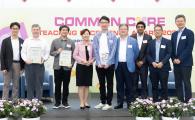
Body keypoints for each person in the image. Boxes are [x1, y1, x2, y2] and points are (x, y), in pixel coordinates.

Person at [93, 16, 117, 110]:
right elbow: (95, 49)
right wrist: (98, 62)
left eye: (105, 22)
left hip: (110, 64)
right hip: (99, 64)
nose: (104, 24)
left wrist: (109, 62)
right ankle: (102, 102)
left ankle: (109, 103)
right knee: (101, 84)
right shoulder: (96, 36)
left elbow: (114, 50)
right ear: (100, 24)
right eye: (102, 22)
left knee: (110, 83)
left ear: (108, 23)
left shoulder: (113, 35)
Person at [21, 24, 50, 100]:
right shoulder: (27, 40)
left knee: (39, 84)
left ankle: (38, 102)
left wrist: (44, 59)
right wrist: (26, 60)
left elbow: (47, 52)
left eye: (37, 29)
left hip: (39, 65)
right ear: (32, 30)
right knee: (29, 84)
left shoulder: (44, 41)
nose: (35, 31)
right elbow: (23, 52)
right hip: (29, 65)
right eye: (34, 29)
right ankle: (29, 102)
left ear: (39, 30)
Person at [114, 24, 139, 109]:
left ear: (127, 30)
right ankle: (120, 103)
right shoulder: (116, 41)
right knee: (119, 85)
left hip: (129, 65)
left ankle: (130, 103)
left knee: (129, 85)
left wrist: (130, 60)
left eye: (125, 29)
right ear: (119, 30)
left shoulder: (133, 41)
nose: (123, 30)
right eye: (121, 29)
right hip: (118, 65)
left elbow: (136, 53)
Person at [50, 25, 75, 109]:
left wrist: (71, 64)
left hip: (67, 67)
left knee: (66, 85)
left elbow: (74, 55)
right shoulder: (55, 41)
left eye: (66, 30)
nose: (64, 31)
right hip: (57, 67)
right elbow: (51, 53)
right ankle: (57, 102)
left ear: (68, 32)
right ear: (60, 31)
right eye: (63, 30)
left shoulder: (71, 42)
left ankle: (65, 102)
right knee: (57, 85)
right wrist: (57, 51)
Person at [171, 14, 194, 102]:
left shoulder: (189, 33)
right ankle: (180, 101)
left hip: (186, 63)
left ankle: (188, 103)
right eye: (178, 21)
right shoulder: (174, 34)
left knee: (186, 83)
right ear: (175, 22)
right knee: (178, 83)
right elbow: (172, 49)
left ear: (184, 21)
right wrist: (173, 59)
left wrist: (180, 59)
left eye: (181, 21)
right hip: (176, 63)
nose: (179, 23)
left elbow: (189, 48)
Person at [147, 24, 172, 102]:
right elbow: (148, 54)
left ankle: (164, 102)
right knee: (154, 86)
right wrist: (152, 62)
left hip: (163, 67)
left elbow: (169, 53)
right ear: (154, 32)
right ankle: (155, 101)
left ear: (162, 31)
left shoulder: (167, 41)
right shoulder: (151, 42)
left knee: (164, 85)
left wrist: (162, 63)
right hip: (153, 67)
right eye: (156, 30)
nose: (157, 31)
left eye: (159, 30)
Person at [1, 22, 25, 100]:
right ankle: (4, 102)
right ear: (11, 29)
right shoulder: (5, 41)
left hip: (18, 64)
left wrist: (22, 67)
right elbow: (2, 55)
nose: (15, 30)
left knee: (16, 84)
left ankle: (15, 101)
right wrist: (3, 67)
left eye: (16, 29)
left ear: (18, 30)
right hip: (8, 65)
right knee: (6, 84)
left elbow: (23, 55)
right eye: (13, 28)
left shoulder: (22, 41)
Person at [73, 29, 94, 110]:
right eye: (84, 34)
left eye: (87, 34)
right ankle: (81, 102)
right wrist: (83, 61)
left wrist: (91, 61)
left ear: (89, 35)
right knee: (81, 85)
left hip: (89, 66)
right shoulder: (78, 44)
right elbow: (74, 55)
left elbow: (94, 56)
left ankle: (85, 101)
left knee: (87, 85)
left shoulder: (92, 44)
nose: (86, 35)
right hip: (81, 66)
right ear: (82, 35)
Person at [131, 21, 152, 99]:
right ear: (136, 28)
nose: (140, 28)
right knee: (134, 81)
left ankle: (144, 98)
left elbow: (149, 52)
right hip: (134, 63)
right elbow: (131, 51)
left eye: (141, 27)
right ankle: (134, 98)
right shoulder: (132, 37)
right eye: (138, 27)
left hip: (144, 64)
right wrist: (136, 61)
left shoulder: (148, 37)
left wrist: (142, 61)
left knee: (144, 81)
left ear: (144, 28)